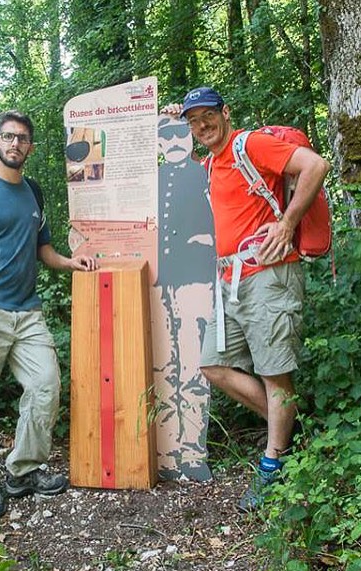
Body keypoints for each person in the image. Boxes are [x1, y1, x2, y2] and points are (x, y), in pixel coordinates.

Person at [163, 87, 330, 510]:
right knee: (213, 365)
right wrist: (169, 115)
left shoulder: (248, 144)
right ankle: (292, 424)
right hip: (231, 280)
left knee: (276, 374)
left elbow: (315, 165)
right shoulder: (213, 163)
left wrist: (287, 224)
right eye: (193, 121)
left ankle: (274, 464)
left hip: (269, 276)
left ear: (226, 112)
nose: (202, 126)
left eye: (208, 117)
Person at [0, 110, 96, 518]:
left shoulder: (34, 193)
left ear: (30, 147)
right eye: (8, 137)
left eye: (23, 139)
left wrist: (70, 263)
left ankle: (22, 470)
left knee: (46, 385)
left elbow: (42, 250)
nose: (15, 144)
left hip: (27, 313)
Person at [153, 114, 215, 481]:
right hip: (157, 285)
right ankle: (166, 454)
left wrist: (209, 240)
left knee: (195, 367)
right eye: (166, 135)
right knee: (163, 367)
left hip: (196, 282)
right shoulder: (152, 180)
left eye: (180, 132)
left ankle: (194, 454)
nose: (174, 140)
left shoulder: (207, 173)